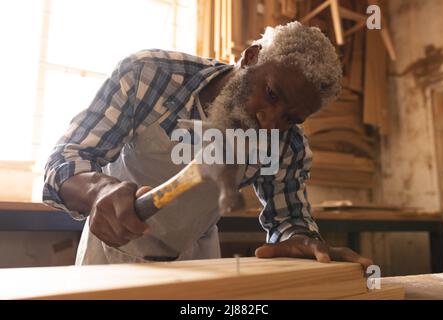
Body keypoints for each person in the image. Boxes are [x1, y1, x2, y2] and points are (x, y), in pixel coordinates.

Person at [43, 21, 373, 269]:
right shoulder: (150, 76)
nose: (269, 121)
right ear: (251, 57)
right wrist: (99, 191)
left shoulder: (285, 143)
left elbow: (289, 219)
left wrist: (298, 238)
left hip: (197, 261)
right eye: (271, 94)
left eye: (291, 117)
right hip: (112, 256)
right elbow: (66, 160)